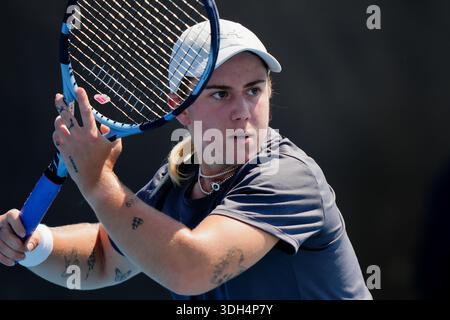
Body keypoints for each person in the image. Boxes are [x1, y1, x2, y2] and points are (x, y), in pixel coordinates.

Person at [0, 19, 372, 300]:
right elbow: (107, 253)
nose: (243, 111)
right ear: (179, 108)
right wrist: (35, 246)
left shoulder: (288, 177)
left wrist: (97, 182)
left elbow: (193, 268)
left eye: (254, 90)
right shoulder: (180, 176)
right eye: (221, 94)